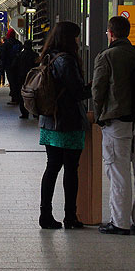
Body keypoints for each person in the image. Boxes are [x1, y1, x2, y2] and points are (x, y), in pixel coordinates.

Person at [92, 15, 135, 236]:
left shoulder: (107, 56)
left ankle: (120, 223)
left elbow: (98, 91)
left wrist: (98, 116)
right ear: (128, 33)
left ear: (110, 33)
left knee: (119, 172)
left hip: (119, 122)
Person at [37, 22, 91, 230]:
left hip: (49, 122)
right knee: (71, 169)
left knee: (51, 168)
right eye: (76, 36)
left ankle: (46, 215)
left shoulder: (48, 56)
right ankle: (70, 216)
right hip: (68, 123)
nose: (78, 40)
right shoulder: (67, 60)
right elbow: (78, 92)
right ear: (70, 38)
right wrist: (93, 87)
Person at [15, 39, 38, 119]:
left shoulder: (20, 55)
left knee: (23, 94)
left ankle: (24, 113)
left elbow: (15, 65)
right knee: (34, 94)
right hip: (33, 78)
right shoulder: (35, 55)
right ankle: (35, 112)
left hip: (22, 77)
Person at [0, 29, 22, 105]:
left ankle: (14, 98)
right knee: (17, 81)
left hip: (9, 65)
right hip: (18, 65)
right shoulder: (18, 43)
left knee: (12, 82)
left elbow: (3, 56)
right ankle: (18, 97)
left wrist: (3, 66)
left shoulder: (6, 43)